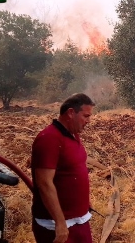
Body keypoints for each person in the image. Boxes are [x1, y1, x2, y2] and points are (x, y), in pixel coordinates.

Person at [31, 93, 95, 243]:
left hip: (79, 219)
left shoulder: (73, 135)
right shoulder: (49, 138)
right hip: (56, 225)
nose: (88, 121)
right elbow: (44, 184)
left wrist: (84, 201)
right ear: (71, 113)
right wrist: (60, 223)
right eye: (85, 116)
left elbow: (73, 170)